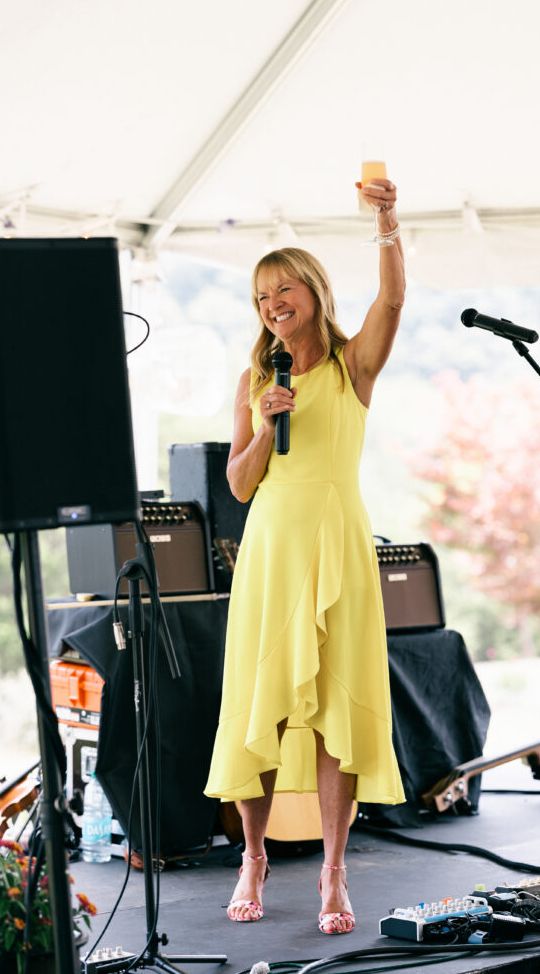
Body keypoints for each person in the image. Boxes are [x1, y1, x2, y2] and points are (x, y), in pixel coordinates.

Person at [204, 175, 406, 934]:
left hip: (338, 543)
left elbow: (390, 304)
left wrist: (386, 219)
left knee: (335, 713)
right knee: (261, 701)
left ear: (314, 294)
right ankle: (252, 856)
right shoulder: (257, 379)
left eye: (284, 289)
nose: (272, 304)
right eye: (262, 297)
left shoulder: (352, 367)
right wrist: (262, 424)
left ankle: (331, 871)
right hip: (272, 551)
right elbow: (239, 482)